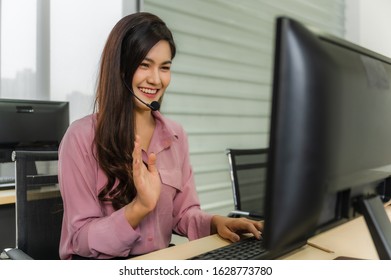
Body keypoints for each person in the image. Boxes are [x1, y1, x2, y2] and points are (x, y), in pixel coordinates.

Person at [58, 12, 263, 260]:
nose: (156, 79)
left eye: (164, 67)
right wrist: (140, 207)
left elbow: (183, 213)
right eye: (145, 65)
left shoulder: (175, 135)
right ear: (121, 69)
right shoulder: (80, 138)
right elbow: (80, 239)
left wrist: (216, 223)